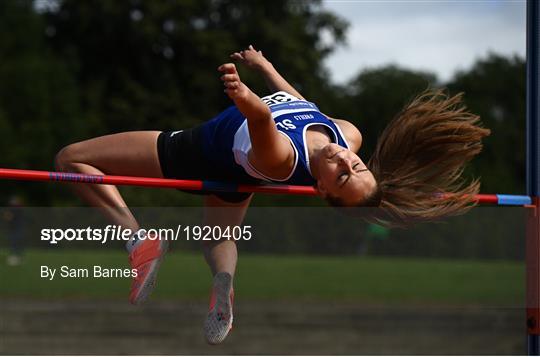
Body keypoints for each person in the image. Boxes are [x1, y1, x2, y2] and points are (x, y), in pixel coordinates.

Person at [54, 45, 490, 344]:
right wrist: (263, 67)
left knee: (72, 159)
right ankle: (224, 285)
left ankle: (137, 239)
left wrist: (244, 93)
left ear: (319, 188)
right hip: (234, 174)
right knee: (218, 240)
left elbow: (264, 121)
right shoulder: (348, 135)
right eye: (354, 166)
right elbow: (299, 105)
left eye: (339, 175)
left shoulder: (283, 160)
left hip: (194, 151)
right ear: (363, 160)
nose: (343, 161)